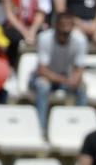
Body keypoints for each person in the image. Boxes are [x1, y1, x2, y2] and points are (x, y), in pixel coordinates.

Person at [31, 9, 88, 137]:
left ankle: (82, 127)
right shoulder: (44, 38)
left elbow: (79, 69)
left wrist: (75, 79)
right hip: (44, 78)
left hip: (64, 77)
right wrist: (66, 80)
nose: (64, 34)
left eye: (68, 31)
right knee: (43, 85)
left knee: (82, 87)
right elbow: (42, 71)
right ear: (56, 26)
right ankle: (41, 130)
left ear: (73, 27)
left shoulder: (80, 40)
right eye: (62, 30)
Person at [0, 0, 50, 66]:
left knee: (46, 38)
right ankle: (11, 66)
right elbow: (9, 13)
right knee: (14, 38)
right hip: (12, 25)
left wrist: (32, 32)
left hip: (34, 26)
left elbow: (41, 13)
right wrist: (25, 33)